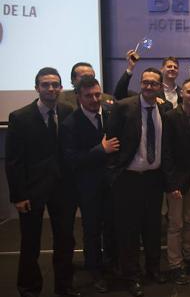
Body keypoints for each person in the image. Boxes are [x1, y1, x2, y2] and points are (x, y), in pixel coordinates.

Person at [6, 67, 79, 297]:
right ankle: (29, 289)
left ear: (61, 87)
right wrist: (18, 196)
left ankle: (64, 287)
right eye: (46, 84)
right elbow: (14, 161)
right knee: (30, 244)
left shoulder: (69, 112)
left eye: (55, 84)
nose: (51, 89)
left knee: (65, 242)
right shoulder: (20, 117)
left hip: (63, 190)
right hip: (32, 191)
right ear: (36, 87)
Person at [107, 67, 170, 296]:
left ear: (160, 86)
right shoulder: (124, 107)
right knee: (128, 231)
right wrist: (115, 171)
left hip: (154, 179)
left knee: (153, 228)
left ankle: (153, 269)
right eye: (145, 82)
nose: (149, 86)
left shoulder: (166, 108)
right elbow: (111, 140)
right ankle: (131, 276)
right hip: (128, 180)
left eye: (154, 83)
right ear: (141, 83)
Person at [60, 76, 119, 293]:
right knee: (92, 230)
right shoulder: (70, 124)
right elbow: (71, 160)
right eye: (89, 96)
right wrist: (100, 150)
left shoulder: (111, 113)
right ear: (78, 97)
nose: (95, 99)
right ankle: (95, 272)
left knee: (112, 227)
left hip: (113, 184)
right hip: (88, 187)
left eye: (97, 94)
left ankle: (112, 266)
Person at [162, 79, 190, 285]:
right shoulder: (170, 117)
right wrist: (171, 184)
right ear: (182, 94)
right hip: (177, 183)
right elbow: (166, 153)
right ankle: (175, 265)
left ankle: (189, 258)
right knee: (175, 225)